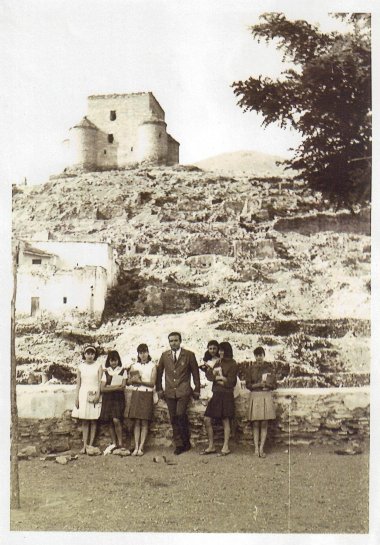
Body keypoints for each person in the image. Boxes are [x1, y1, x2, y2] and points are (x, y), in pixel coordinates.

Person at [156, 332, 200, 455]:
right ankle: (179, 444)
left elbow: (195, 373)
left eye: (175, 340)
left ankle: (186, 441)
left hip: (183, 390)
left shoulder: (189, 355)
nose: (173, 343)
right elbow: (159, 374)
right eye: (171, 341)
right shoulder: (165, 356)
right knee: (173, 418)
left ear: (180, 341)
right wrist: (159, 389)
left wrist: (197, 389)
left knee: (180, 414)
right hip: (169, 392)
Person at [201, 341, 237, 456]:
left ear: (227, 351)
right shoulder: (217, 362)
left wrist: (221, 379)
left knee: (225, 420)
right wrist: (219, 379)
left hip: (226, 395)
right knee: (207, 419)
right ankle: (211, 446)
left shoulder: (233, 364)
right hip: (216, 393)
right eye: (220, 350)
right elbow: (210, 376)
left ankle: (225, 447)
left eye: (222, 350)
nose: (220, 352)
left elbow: (231, 382)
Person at [245, 346, 277, 458]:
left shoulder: (269, 368)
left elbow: (275, 385)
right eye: (257, 355)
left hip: (266, 395)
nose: (259, 357)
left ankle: (261, 448)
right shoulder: (250, 369)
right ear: (255, 356)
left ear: (264, 355)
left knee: (264, 423)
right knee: (255, 423)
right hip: (255, 395)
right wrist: (258, 385)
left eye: (260, 355)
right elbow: (248, 385)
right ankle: (255, 449)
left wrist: (267, 385)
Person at [126, 343, 157, 456]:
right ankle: (136, 446)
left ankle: (141, 447)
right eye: (141, 353)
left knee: (144, 422)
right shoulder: (134, 366)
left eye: (145, 352)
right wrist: (133, 380)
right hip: (136, 393)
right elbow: (128, 382)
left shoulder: (153, 366)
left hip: (147, 394)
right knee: (137, 422)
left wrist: (141, 382)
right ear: (138, 354)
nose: (143, 355)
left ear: (148, 353)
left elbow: (152, 383)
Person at [72, 344, 102, 454]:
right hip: (83, 393)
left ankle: (91, 445)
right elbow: (78, 384)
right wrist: (76, 398)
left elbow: (100, 382)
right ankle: (84, 445)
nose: (90, 356)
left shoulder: (98, 366)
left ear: (95, 355)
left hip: (94, 392)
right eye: (87, 353)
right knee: (85, 420)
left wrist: (98, 394)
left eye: (92, 353)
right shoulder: (80, 367)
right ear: (84, 355)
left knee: (93, 420)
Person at [99, 350, 128, 454]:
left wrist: (109, 386)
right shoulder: (106, 372)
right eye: (111, 361)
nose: (113, 363)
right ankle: (114, 443)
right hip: (108, 399)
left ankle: (120, 443)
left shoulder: (123, 371)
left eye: (115, 360)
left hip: (118, 398)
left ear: (118, 360)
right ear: (109, 361)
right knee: (110, 421)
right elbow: (102, 389)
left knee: (116, 419)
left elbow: (123, 387)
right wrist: (116, 386)